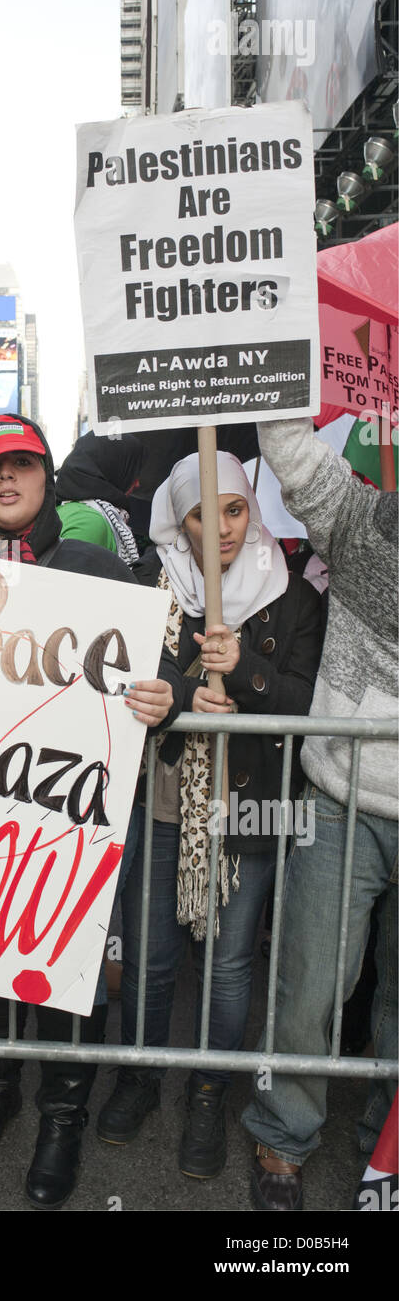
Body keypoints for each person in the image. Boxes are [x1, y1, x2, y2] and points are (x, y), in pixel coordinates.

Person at [0, 413, 181, 1208]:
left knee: (67, 966)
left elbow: (158, 669)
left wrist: (170, 694)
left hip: (68, 812)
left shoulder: (96, 563)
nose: (6, 479)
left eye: (22, 465)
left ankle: (62, 1114)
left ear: (45, 474)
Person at [96, 451, 323, 1181]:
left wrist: (247, 676)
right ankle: (137, 1077)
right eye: (203, 513)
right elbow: (122, 672)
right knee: (150, 957)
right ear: (179, 521)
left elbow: (302, 704)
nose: (221, 527)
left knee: (228, 967)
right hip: (159, 799)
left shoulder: (292, 596)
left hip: (249, 803)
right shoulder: (149, 585)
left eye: (234, 509)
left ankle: (205, 1093)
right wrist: (186, 687)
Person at [240, 417, 397, 1211]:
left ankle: (387, 1139)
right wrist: (276, 345)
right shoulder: (363, 524)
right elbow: (294, 457)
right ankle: (281, 1136)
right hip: (340, 799)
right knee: (307, 984)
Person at [54, 430, 147, 565]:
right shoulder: (88, 521)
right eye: (132, 471)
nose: (137, 483)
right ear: (113, 468)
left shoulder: (78, 510)